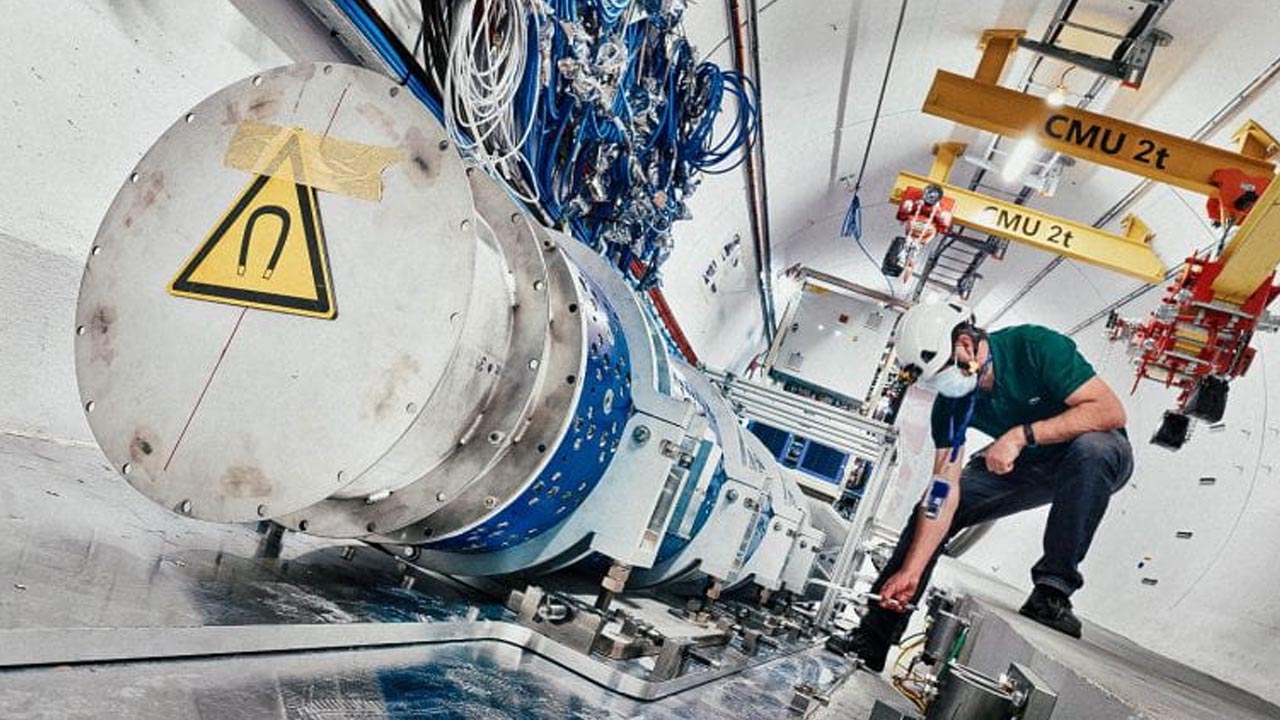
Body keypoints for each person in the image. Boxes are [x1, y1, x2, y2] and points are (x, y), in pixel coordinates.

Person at [828, 300, 1133, 672]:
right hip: (1025, 467)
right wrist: (912, 567)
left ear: (967, 344)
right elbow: (944, 487)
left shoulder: (1035, 346)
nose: (948, 383)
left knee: (1093, 450)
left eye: (947, 369)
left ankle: (1052, 592)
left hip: (1093, 453)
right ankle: (874, 635)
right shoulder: (953, 402)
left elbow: (1109, 411)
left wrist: (1022, 435)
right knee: (930, 505)